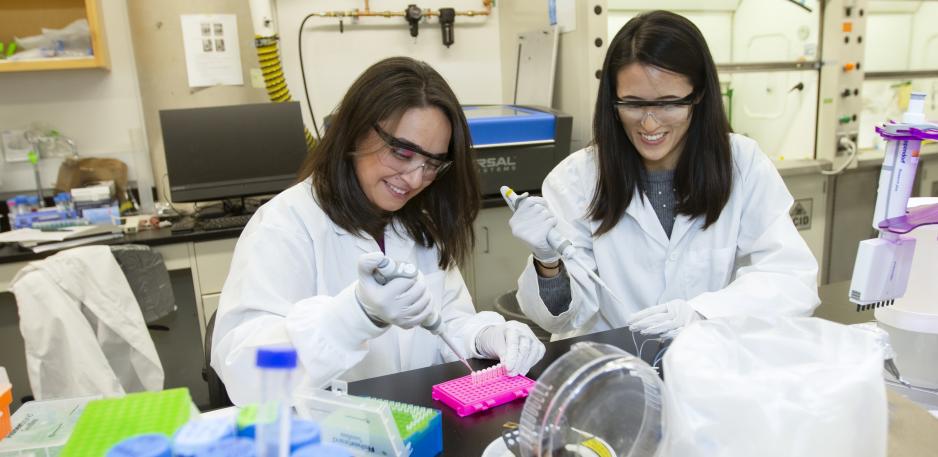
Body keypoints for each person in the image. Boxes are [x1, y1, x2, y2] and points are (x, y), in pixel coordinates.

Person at [212, 57, 545, 405]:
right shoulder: (286, 225)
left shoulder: (417, 222)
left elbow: (445, 321)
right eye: (402, 152)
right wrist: (352, 317)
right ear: (355, 130)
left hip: (412, 424)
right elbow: (247, 370)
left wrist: (486, 334)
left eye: (432, 163)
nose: (416, 179)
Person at [508, 11, 820, 341]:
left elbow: (791, 277)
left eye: (669, 103)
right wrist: (548, 262)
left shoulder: (742, 163)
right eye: (633, 104)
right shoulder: (576, 180)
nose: (650, 124)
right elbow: (562, 320)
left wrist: (702, 313)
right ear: (612, 100)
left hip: (706, 360)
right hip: (610, 369)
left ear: (698, 95)